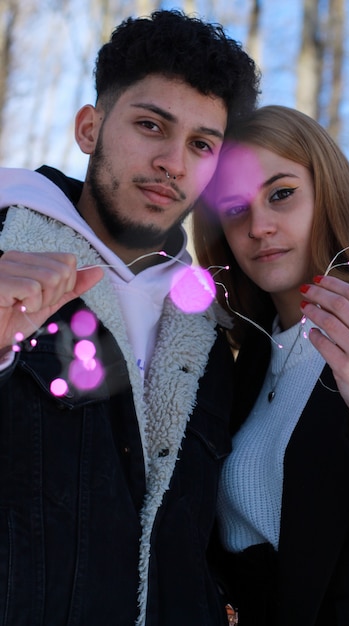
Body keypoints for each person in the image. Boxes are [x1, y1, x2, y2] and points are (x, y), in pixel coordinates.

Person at [0, 10, 260, 626]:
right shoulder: (5, 249)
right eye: (151, 125)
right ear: (89, 128)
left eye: (201, 145)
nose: (174, 161)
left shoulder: (216, 332)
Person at [193, 105, 349, 625]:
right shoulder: (242, 358)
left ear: (328, 190)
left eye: (281, 194)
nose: (259, 226)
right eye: (234, 208)